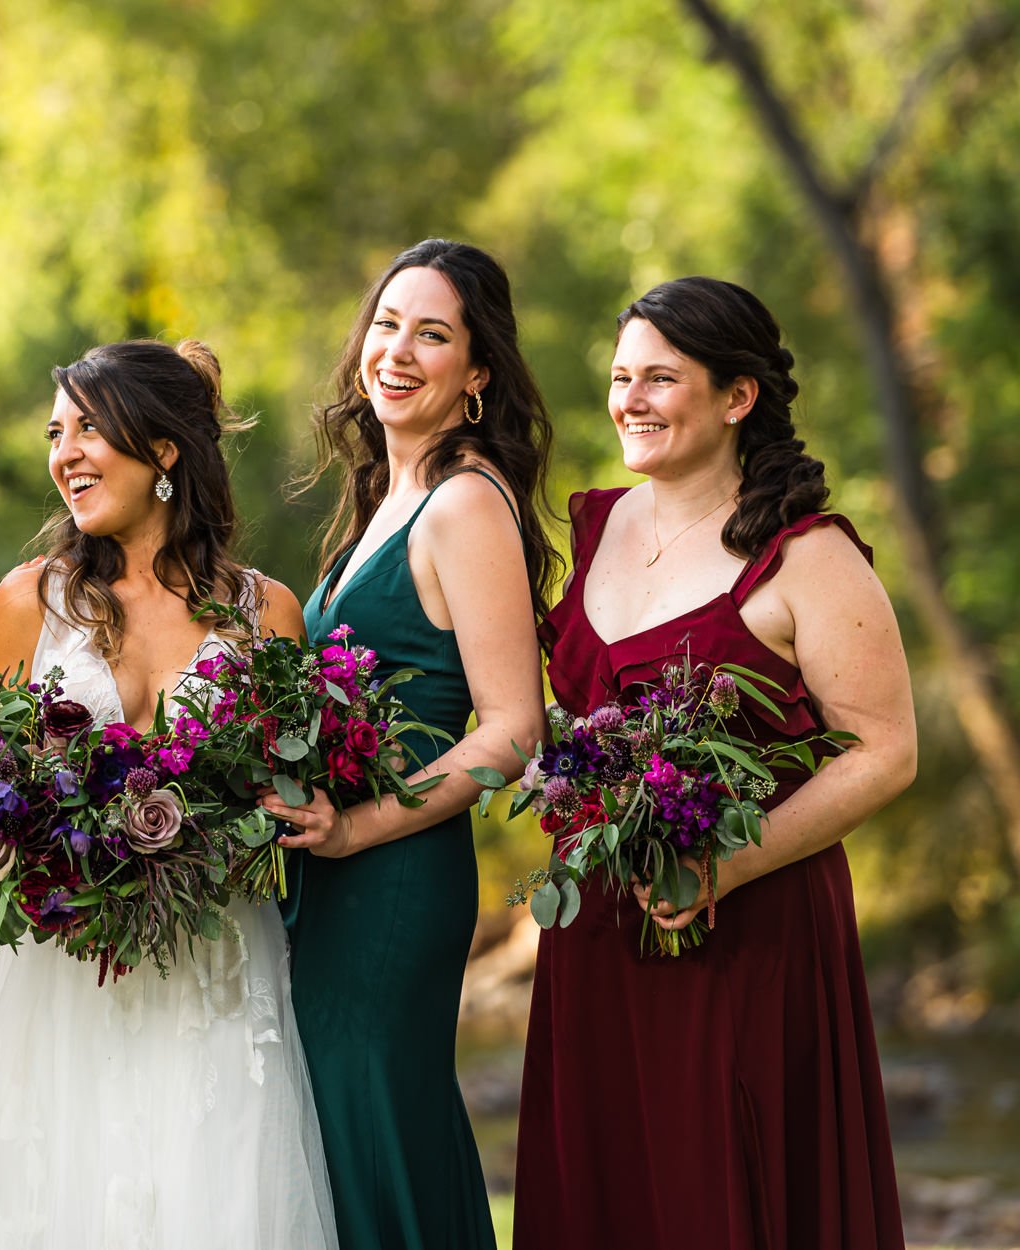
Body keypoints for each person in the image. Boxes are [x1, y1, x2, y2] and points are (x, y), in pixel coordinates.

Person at [512, 277, 912, 1250]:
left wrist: (722, 864)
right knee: (604, 1188)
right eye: (619, 377)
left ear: (736, 396)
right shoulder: (596, 526)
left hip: (747, 926)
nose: (628, 399)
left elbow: (886, 751)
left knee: (725, 1191)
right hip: (598, 935)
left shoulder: (806, 557)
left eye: (659, 377)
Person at [0, 338, 334, 1248]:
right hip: (60, 971)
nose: (65, 453)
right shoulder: (24, 603)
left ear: (164, 451)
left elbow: (283, 783)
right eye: (56, 432)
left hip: (215, 958)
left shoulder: (263, 611)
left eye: (90, 429)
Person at [259, 238, 557, 1249]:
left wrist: (354, 830)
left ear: (476, 374)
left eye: (430, 333)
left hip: (391, 879)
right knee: (341, 1139)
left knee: (378, 1128)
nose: (394, 349)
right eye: (385, 323)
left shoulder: (463, 501)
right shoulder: (380, 503)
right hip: (336, 871)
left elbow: (512, 726)